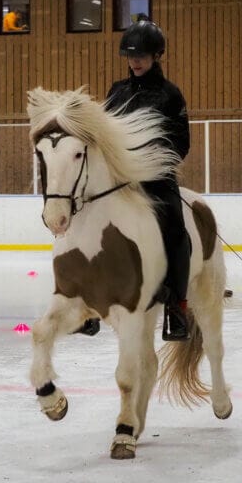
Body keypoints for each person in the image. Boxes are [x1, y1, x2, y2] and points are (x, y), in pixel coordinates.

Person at [77, 19, 192, 342]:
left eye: (141, 55)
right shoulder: (117, 92)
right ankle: (89, 306)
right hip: (120, 180)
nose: (135, 61)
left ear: (157, 55)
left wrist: (149, 164)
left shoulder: (170, 95)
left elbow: (181, 143)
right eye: (130, 56)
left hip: (156, 180)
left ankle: (176, 309)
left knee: (177, 232)